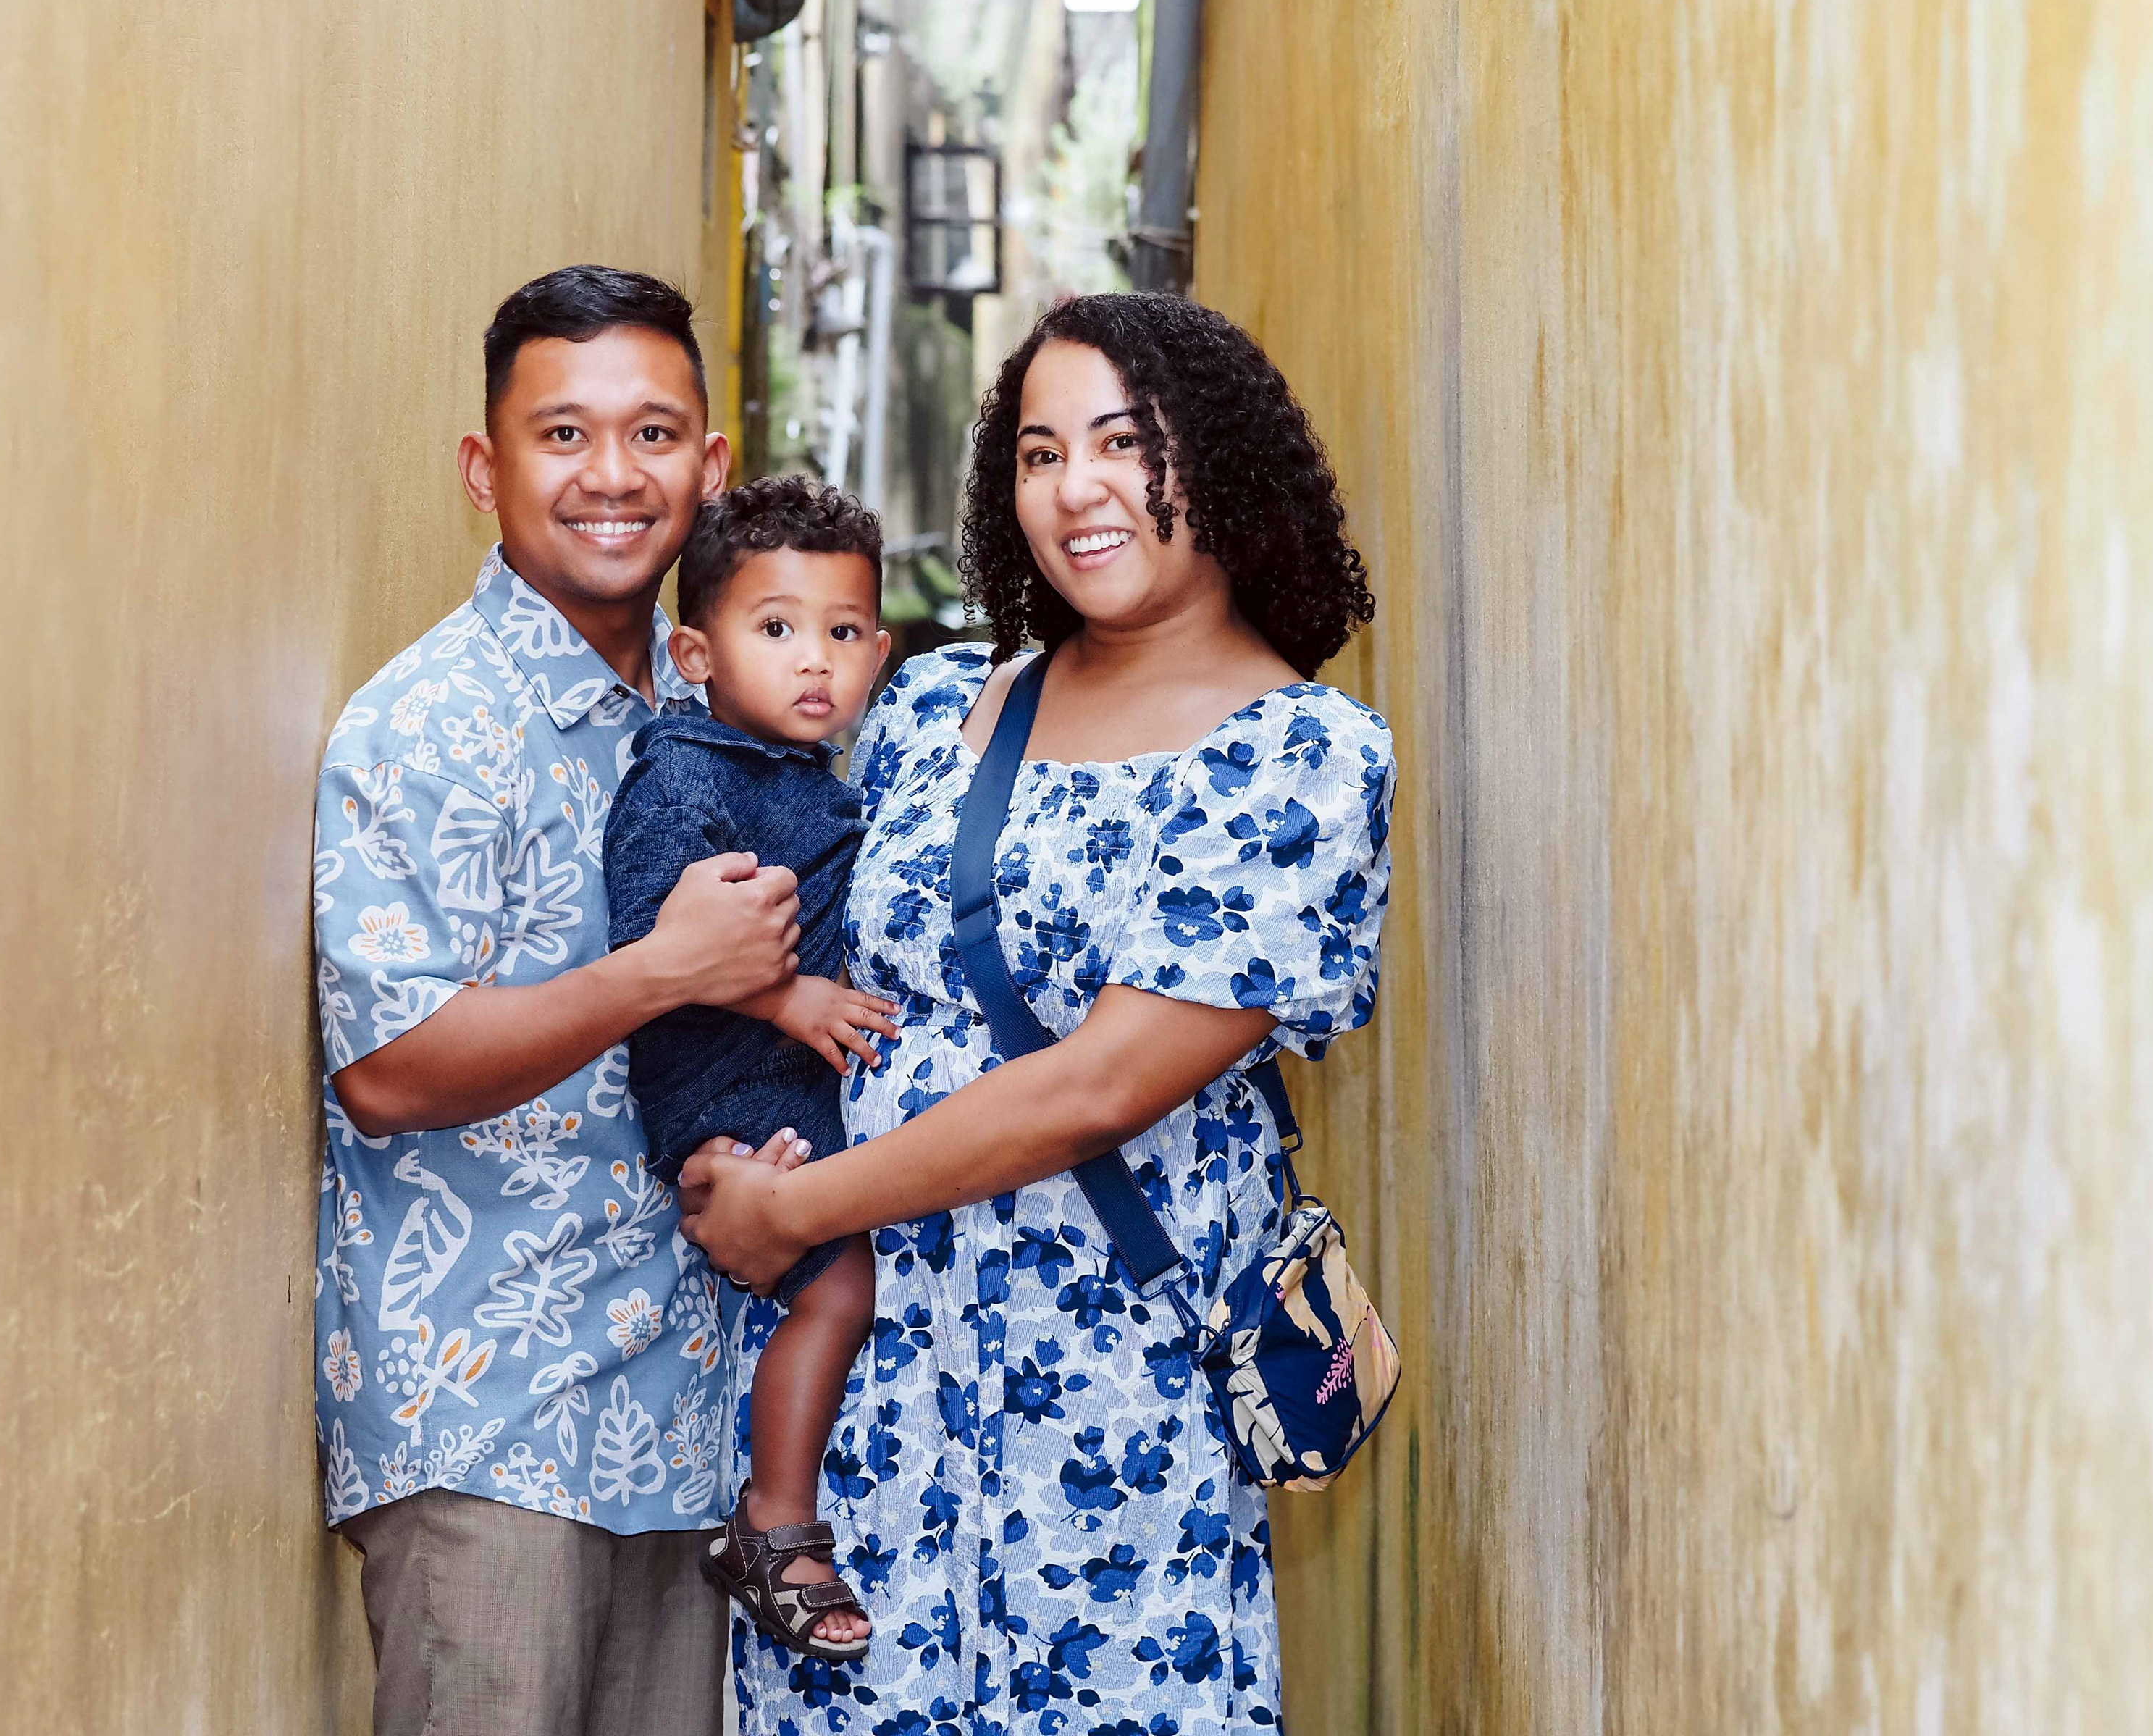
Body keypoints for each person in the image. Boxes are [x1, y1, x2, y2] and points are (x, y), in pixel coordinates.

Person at [679, 292, 1396, 1734]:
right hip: (867, 1431)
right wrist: (716, 1141)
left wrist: (803, 1206)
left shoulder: (1303, 757)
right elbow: (736, 855)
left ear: (1223, 461)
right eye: (1039, 450)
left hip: (1123, 1441)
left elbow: (1100, 1086)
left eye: (1124, 444)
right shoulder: (933, 705)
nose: (1077, 488)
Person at [311, 264, 802, 1736]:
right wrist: (663, 968)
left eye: (654, 435)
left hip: (686, 1410)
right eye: (562, 435)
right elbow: (388, 1067)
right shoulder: (422, 726)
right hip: (492, 1423)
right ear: (487, 467)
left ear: (711, 469)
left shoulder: (724, 703)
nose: (612, 476)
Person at [600, 475, 900, 1662]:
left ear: (878, 651)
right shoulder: (688, 774)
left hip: (777, 1076)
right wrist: (790, 994)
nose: (813, 661)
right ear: (695, 651)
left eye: (840, 634)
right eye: (775, 630)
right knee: (838, 1287)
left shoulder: (804, 771)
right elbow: (650, 948)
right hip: (725, 1078)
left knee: (842, 1275)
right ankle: (775, 1522)